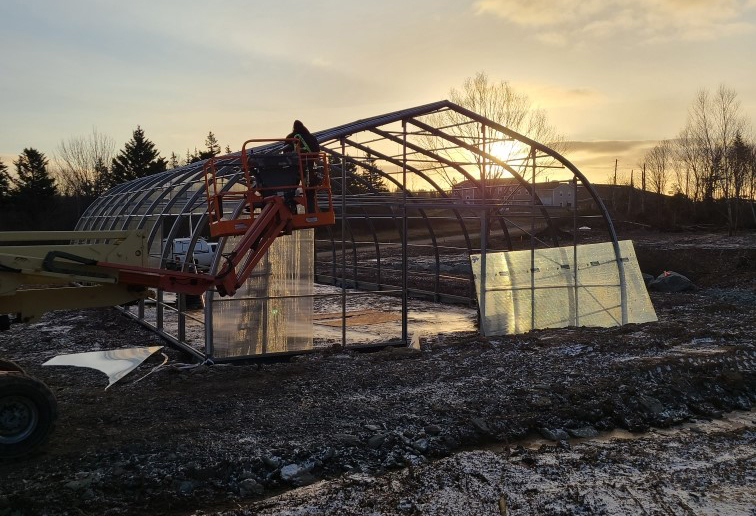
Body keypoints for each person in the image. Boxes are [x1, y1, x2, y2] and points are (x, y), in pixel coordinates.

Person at [283, 120, 321, 213]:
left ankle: (292, 212)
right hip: (309, 167)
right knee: (310, 192)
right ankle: (311, 212)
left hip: (294, 169)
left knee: (290, 191)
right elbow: (317, 151)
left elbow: (285, 153)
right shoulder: (311, 137)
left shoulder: (290, 137)